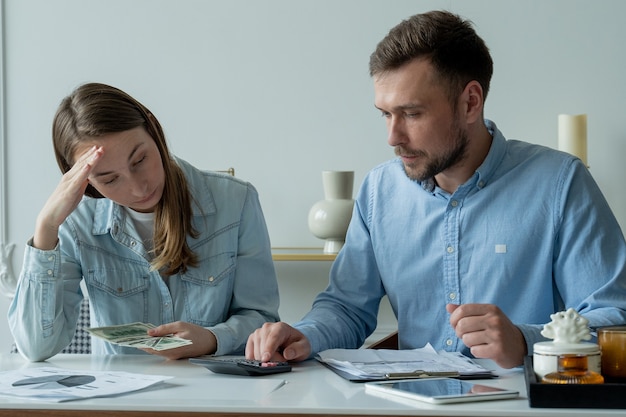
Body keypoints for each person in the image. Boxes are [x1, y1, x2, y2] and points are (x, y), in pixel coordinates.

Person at [246, 10, 626, 369]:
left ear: (470, 102)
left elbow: (615, 317)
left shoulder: (560, 183)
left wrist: (525, 341)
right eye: (385, 113)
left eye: (412, 114)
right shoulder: (380, 190)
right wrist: (305, 336)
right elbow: (346, 308)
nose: (393, 136)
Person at [8, 82, 280, 362]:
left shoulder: (236, 200)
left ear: (154, 129)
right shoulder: (76, 223)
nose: (138, 189)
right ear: (82, 179)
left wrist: (212, 339)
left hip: (215, 392)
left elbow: (261, 318)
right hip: (120, 400)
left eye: (139, 160)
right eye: (110, 179)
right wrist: (46, 227)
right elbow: (36, 347)